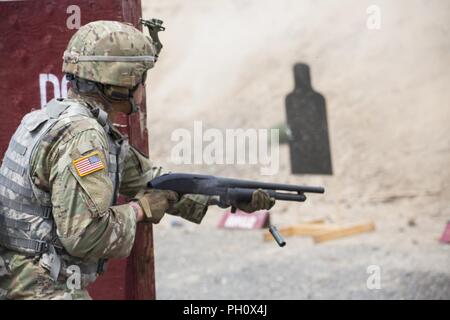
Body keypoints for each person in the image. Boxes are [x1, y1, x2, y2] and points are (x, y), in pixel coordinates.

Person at [0, 20, 275, 300]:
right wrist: (140, 210)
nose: (143, 87)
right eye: (141, 78)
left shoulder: (59, 120)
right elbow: (85, 236)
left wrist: (225, 196)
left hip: (23, 281)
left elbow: (151, 178)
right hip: (39, 290)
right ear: (121, 83)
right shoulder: (83, 137)